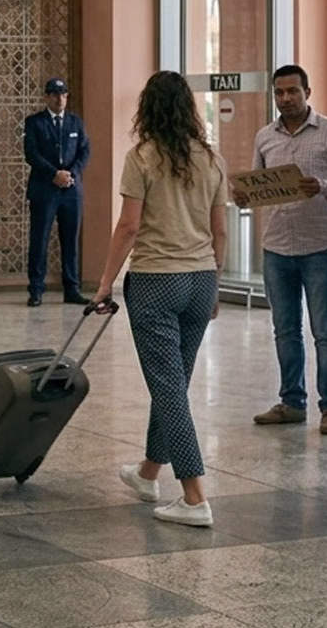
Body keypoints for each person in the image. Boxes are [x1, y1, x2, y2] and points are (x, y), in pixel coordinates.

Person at [92, 70, 227, 528]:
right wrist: (215, 280)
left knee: (168, 386)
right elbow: (220, 229)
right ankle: (149, 472)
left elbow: (129, 226)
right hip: (201, 278)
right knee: (174, 382)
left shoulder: (142, 157)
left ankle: (194, 497)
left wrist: (105, 281)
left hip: (155, 282)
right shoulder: (211, 159)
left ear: (147, 109)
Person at [244, 64, 327, 435]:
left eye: (293, 91)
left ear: (308, 91)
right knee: (284, 329)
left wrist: (321, 186)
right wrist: (245, 193)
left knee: (326, 330)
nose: (286, 99)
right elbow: (256, 184)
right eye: (279, 93)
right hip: (276, 247)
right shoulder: (264, 137)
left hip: (320, 245)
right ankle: (292, 402)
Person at [24, 77, 91, 306]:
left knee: (70, 240)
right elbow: (31, 154)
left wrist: (70, 174)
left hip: (71, 191)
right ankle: (36, 289)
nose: (59, 98)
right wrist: (54, 174)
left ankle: (71, 288)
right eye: (54, 94)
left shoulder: (75, 123)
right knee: (40, 239)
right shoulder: (35, 122)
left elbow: (84, 151)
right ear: (47, 97)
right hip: (44, 189)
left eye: (63, 94)